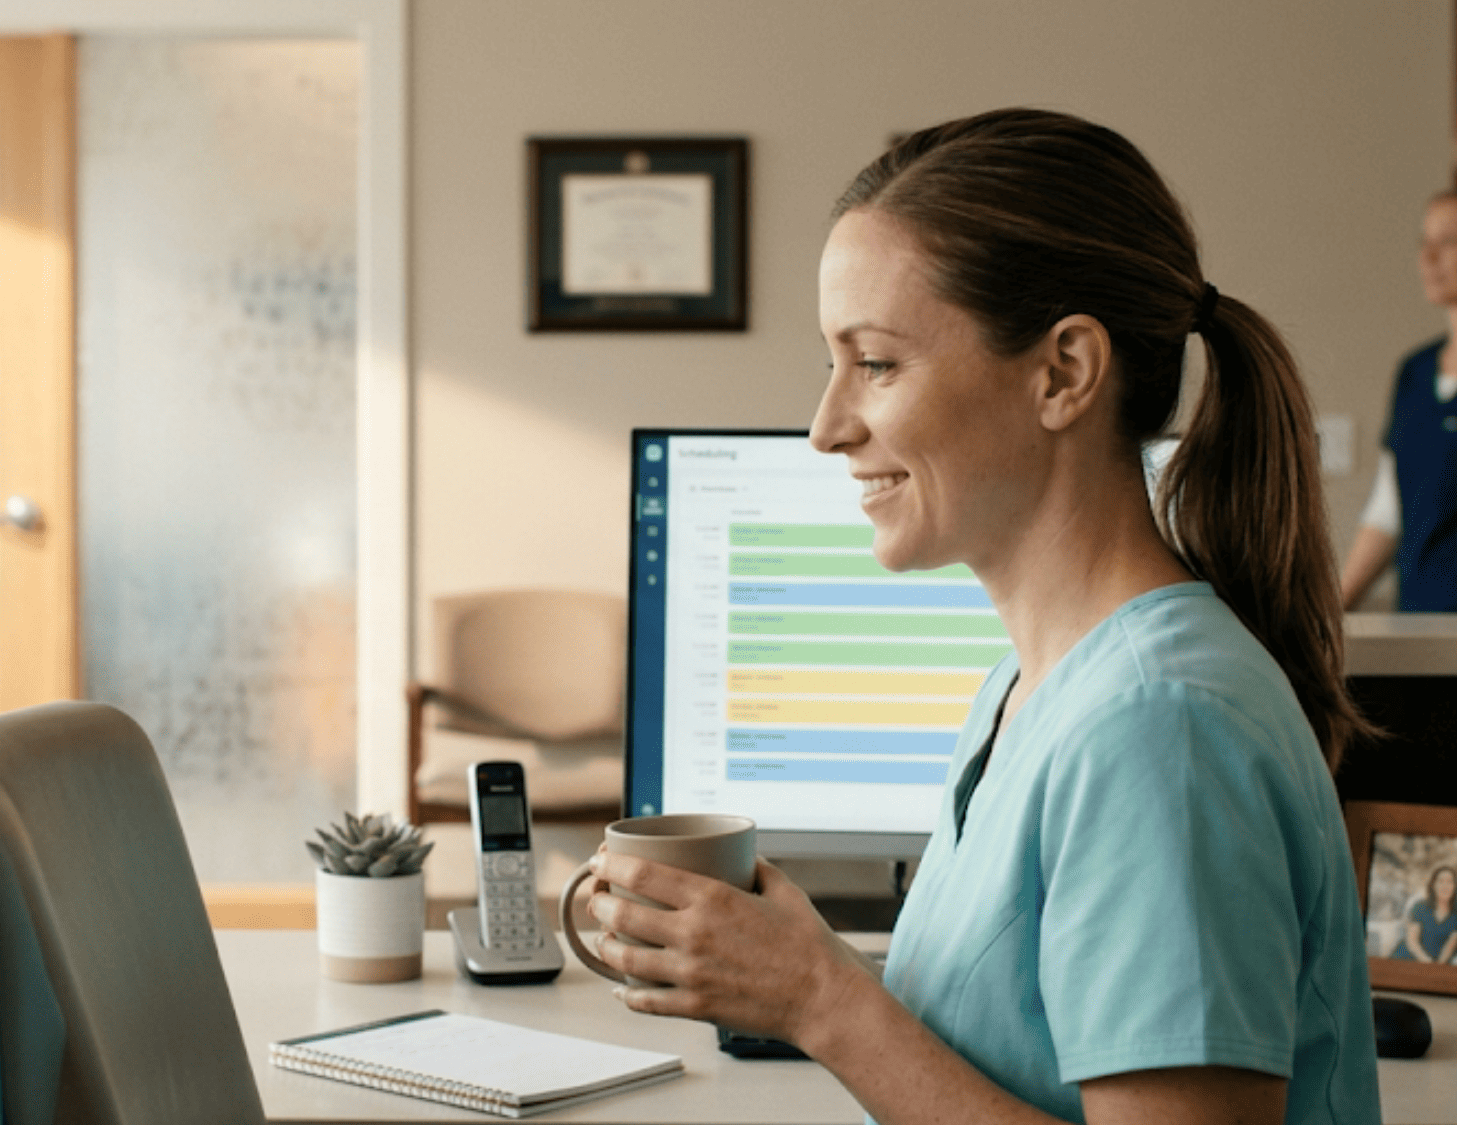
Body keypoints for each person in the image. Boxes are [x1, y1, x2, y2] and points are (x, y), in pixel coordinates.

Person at [585, 108, 1381, 1125]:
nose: (825, 426)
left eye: (872, 363)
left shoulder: (1156, 725)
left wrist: (819, 1000)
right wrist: (803, 972)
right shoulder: (1030, 687)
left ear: (1062, 373)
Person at [1339, 191, 1457, 612]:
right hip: (1419, 629)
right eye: (1423, 242)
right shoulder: (1415, 372)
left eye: (1449, 241)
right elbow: (1389, 509)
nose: (1428, 258)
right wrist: (1335, 608)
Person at [1390, 864, 1457, 963]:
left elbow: (1450, 947)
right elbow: (1412, 941)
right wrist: (1427, 963)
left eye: (1449, 882)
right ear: (1433, 885)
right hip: (1407, 958)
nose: (1445, 886)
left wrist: (1436, 968)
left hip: (1436, 965)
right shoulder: (1420, 907)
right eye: (1440, 881)